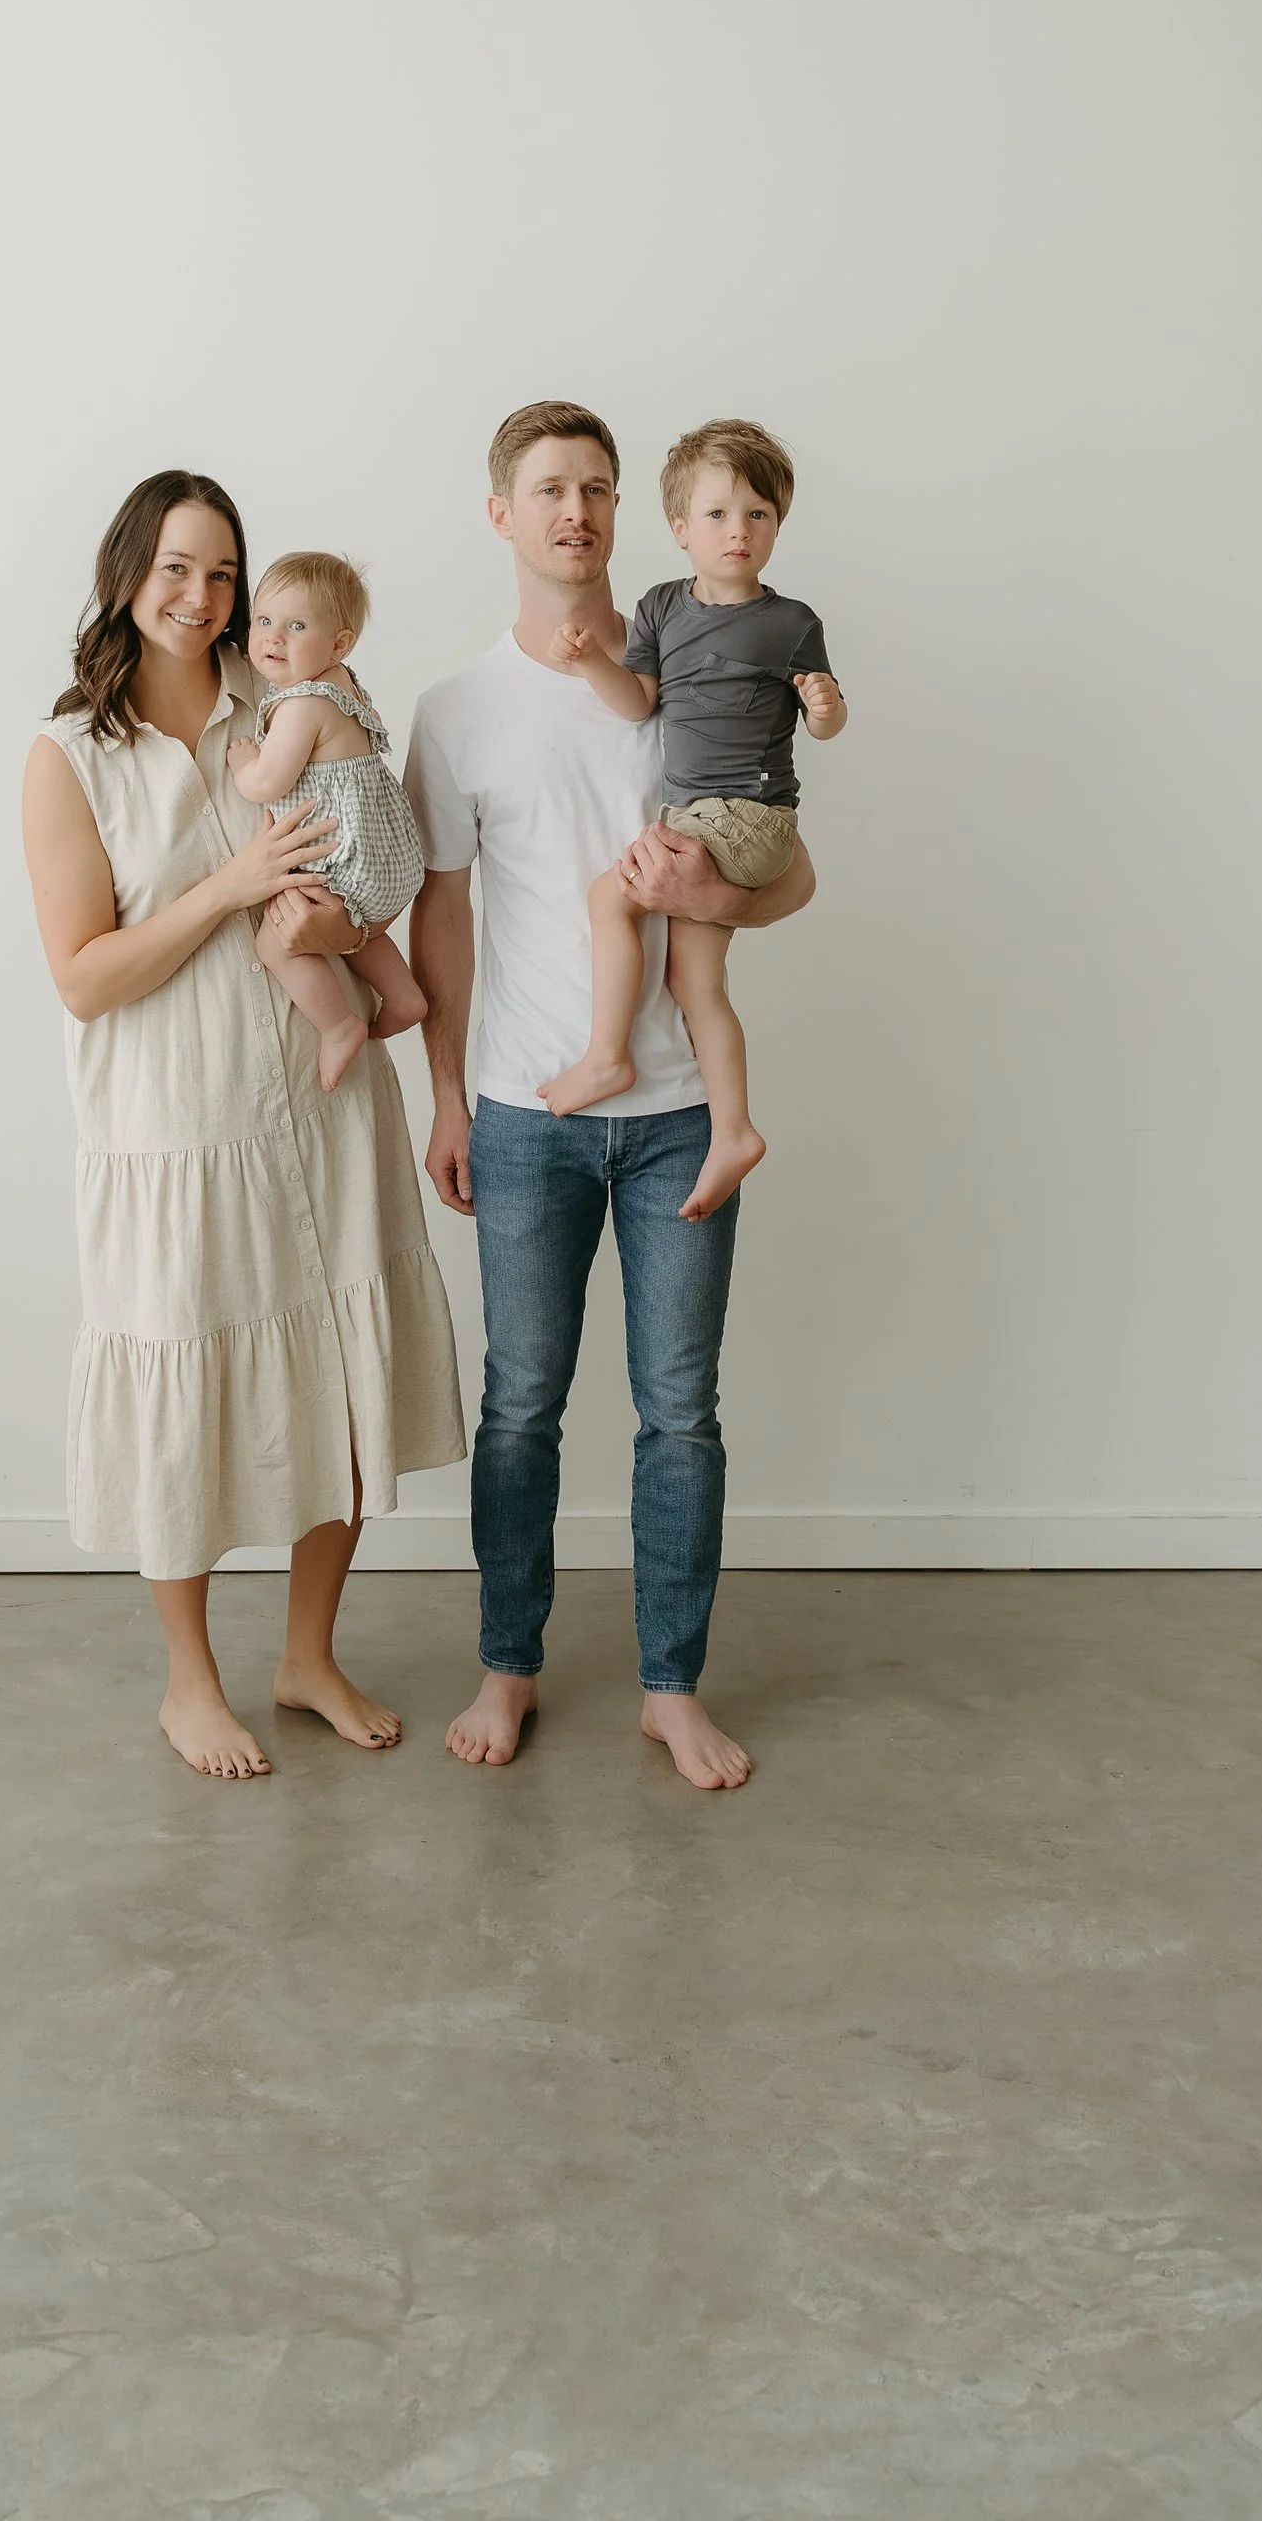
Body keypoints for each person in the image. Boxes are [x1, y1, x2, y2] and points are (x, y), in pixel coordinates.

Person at [23, 471, 466, 1781]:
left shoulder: (285, 696)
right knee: (186, 1394)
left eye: (222, 572)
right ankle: (189, 1681)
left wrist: (341, 924)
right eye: (176, 566)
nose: (202, 595)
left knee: (339, 1371)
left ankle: (308, 1656)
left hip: (322, 1101)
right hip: (177, 1124)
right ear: (126, 572)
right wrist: (229, 886)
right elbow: (83, 976)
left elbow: (361, 859)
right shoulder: (72, 756)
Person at [403, 406, 815, 1793]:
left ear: (623, 510)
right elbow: (442, 916)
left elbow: (791, 872)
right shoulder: (457, 710)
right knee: (519, 1404)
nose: (573, 509)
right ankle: (506, 1664)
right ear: (501, 515)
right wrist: (447, 1096)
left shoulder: (689, 668)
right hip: (527, 1111)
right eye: (546, 488)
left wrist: (718, 893)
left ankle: (670, 1688)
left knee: (679, 1412)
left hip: (684, 1114)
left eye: (595, 487)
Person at [543, 419, 845, 1223]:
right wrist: (592, 662)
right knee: (694, 982)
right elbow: (637, 702)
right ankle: (733, 1129)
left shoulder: (791, 623)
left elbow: (824, 724)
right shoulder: (661, 609)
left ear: (777, 525)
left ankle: (606, 1057)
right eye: (717, 514)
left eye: (757, 515)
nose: (738, 531)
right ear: (680, 527)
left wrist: (824, 709)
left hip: (749, 817)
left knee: (610, 897)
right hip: (702, 816)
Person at [230, 551, 428, 1093]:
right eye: (263, 620)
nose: (273, 638)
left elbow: (267, 782)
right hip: (386, 862)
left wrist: (245, 761)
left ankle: (339, 1025)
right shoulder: (343, 685)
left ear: (338, 644)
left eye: (296, 626)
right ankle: (403, 995)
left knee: (275, 945)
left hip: (343, 863)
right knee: (361, 931)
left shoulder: (303, 704)